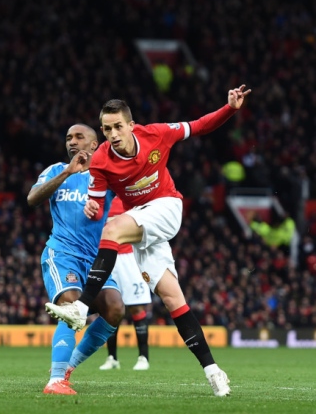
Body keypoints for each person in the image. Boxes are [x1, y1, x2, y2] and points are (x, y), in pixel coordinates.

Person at [46, 85, 251, 397]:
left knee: (113, 229)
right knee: (172, 298)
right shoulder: (101, 160)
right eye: (107, 128)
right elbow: (98, 204)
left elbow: (199, 126)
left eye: (117, 127)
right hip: (143, 227)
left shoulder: (156, 134)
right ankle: (213, 371)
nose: (113, 134)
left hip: (167, 207)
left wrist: (231, 109)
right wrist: (92, 205)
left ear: (130, 124)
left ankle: (81, 307)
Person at [28, 124, 124, 395]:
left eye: (79, 137)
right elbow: (32, 198)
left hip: (96, 258)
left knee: (115, 309)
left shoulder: (107, 176)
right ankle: (55, 380)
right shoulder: (56, 170)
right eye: (68, 137)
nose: (72, 142)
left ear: (95, 145)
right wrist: (69, 171)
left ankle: (68, 367)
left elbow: (131, 196)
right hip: (63, 254)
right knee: (70, 305)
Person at [98, 197, 152, 371]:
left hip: (129, 258)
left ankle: (143, 357)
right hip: (107, 257)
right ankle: (112, 358)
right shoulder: (99, 198)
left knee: (136, 307)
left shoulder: (128, 197)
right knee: (110, 309)